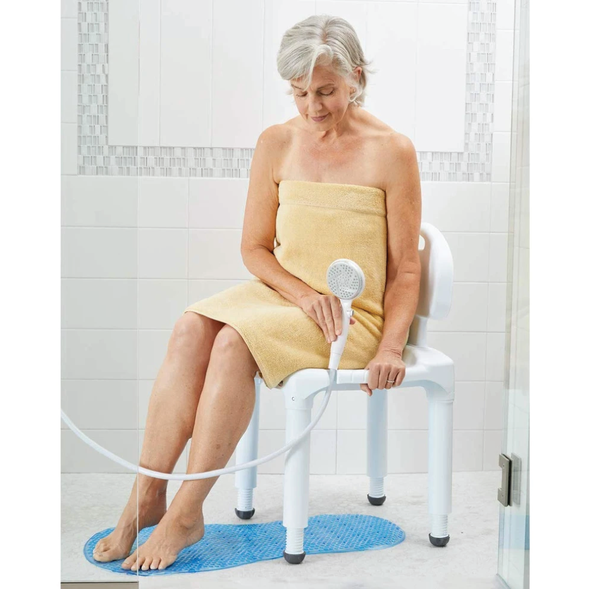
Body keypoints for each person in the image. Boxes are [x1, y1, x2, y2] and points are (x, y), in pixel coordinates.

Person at [93, 14, 421, 572]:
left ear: (356, 77)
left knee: (232, 345)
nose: (312, 106)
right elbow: (254, 249)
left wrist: (390, 347)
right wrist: (298, 295)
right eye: (299, 93)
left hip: (349, 316)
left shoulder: (392, 151)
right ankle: (145, 497)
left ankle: (185, 514)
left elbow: (406, 269)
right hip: (284, 298)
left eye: (326, 91)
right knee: (192, 326)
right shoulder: (276, 143)